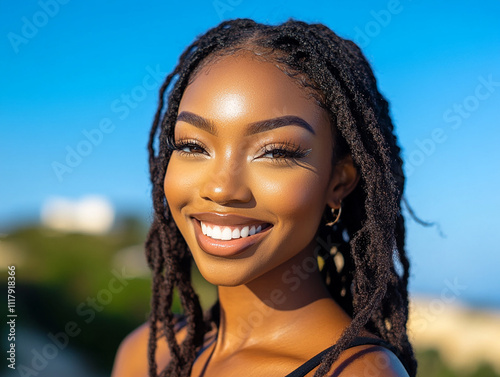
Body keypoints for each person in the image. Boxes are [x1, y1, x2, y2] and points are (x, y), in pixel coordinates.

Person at [111, 18, 416, 377]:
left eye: (275, 152)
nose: (222, 189)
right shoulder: (146, 352)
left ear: (339, 182)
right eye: (192, 146)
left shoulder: (357, 372)